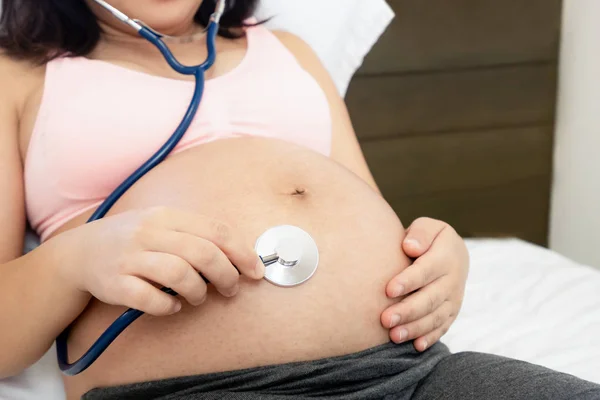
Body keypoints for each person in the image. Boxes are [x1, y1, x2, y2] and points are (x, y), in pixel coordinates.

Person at [0, 1, 597, 399]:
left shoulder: (290, 51)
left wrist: (442, 261)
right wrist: (76, 259)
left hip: (408, 375)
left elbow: (375, 219)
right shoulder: (19, 77)